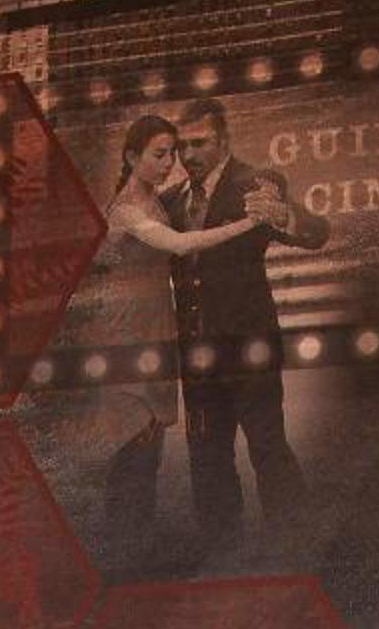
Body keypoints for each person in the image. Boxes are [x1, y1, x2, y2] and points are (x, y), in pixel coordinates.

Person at [84, 115, 266, 536]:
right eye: (159, 154)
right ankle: (125, 540)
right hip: (127, 332)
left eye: (172, 153)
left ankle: (137, 541)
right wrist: (251, 221)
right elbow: (181, 245)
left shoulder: (158, 200)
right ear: (133, 157)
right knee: (132, 438)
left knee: (149, 442)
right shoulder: (125, 210)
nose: (170, 163)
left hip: (156, 327)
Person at [165, 98, 327, 541]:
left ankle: (294, 538)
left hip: (249, 346)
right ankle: (220, 545)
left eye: (199, 143)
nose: (189, 155)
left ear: (224, 141)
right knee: (205, 451)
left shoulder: (254, 185)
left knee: (266, 443)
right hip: (197, 355)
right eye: (182, 146)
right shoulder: (171, 202)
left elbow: (318, 233)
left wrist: (286, 215)